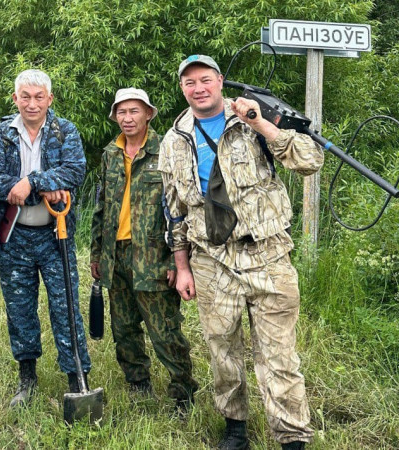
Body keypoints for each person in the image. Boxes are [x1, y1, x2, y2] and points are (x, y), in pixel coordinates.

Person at [158, 55, 323, 450]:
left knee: (279, 356)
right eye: (189, 82)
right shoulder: (173, 140)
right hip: (210, 260)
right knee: (223, 352)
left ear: (220, 81)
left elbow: (310, 160)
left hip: (267, 255)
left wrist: (261, 123)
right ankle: (235, 429)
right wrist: (182, 267)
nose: (198, 88)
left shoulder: (251, 117)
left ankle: (292, 439)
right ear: (182, 89)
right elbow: (175, 211)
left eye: (205, 79)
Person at [90, 87, 198, 413]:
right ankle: (138, 384)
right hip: (116, 256)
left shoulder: (166, 150)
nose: (127, 118)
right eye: (121, 112)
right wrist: (97, 254)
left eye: (134, 111)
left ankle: (183, 393)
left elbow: (182, 209)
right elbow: (101, 208)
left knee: (165, 331)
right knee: (123, 329)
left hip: (154, 258)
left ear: (148, 114)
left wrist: (177, 261)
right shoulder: (110, 154)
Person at [0, 69, 89, 408]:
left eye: (39, 97)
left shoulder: (64, 131)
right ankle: (27, 376)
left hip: (55, 235)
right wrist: (44, 187)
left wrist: (30, 182)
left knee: (66, 307)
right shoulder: (3, 134)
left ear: (49, 99)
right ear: (15, 98)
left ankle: (77, 376)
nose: (32, 104)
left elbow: (75, 170)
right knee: (20, 309)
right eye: (25, 97)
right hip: (14, 237)